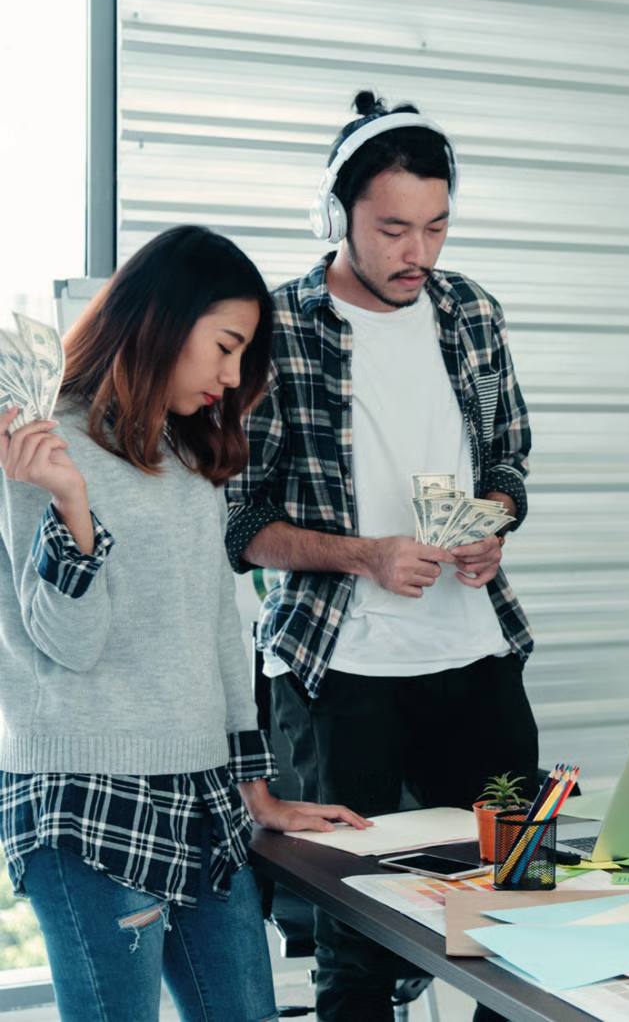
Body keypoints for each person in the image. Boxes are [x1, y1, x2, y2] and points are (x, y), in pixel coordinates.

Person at [0, 225, 367, 1021]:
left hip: (203, 796)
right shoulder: (38, 442)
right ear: (163, 318)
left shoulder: (189, 455)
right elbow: (69, 644)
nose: (233, 378)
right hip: (90, 793)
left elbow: (218, 636)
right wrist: (71, 504)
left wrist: (254, 791)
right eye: (226, 347)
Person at [225, 91, 538, 1021]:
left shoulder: (473, 312)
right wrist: (366, 556)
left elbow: (511, 461)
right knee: (358, 939)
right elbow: (239, 527)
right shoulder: (277, 327)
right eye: (394, 228)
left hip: (478, 657)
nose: (419, 253)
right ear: (338, 216)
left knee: (515, 908)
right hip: (342, 675)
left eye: (437, 227)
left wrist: (497, 521)